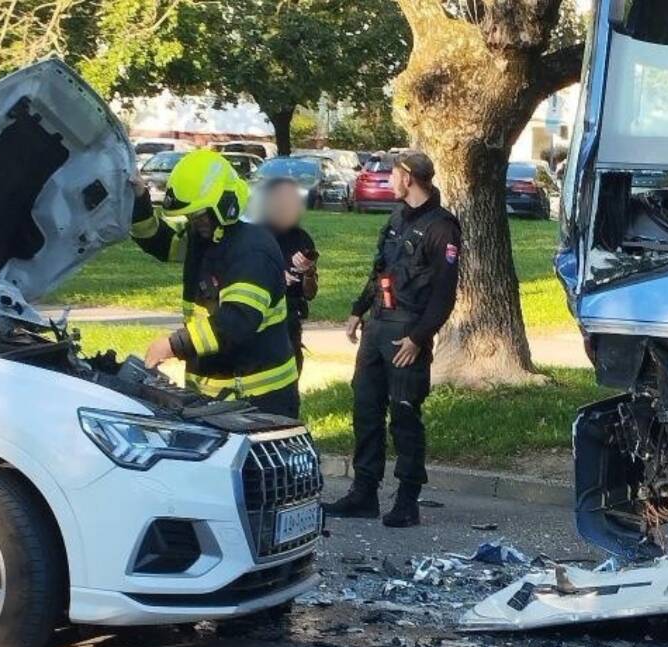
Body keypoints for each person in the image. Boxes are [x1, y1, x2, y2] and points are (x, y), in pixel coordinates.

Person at [323, 151, 461, 527]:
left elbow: (445, 295)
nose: (388, 180)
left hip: (407, 333)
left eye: (394, 174)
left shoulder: (442, 228)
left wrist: (418, 338)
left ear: (410, 177)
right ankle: (363, 493)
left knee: (404, 415)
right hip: (378, 326)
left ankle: (406, 499)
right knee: (366, 410)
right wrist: (357, 310)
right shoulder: (396, 217)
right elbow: (379, 270)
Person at [129, 149, 300, 418]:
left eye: (199, 215)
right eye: (191, 217)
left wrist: (172, 345)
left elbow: (236, 322)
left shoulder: (252, 250)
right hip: (215, 393)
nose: (195, 223)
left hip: (258, 399)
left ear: (224, 204)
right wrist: (139, 198)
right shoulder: (206, 238)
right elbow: (159, 241)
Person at [258, 177, 319, 376]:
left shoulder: (302, 238)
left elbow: (310, 294)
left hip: (291, 317)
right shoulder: (256, 236)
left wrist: (308, 273)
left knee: (292, 374)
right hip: (261, 319)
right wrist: (276, 278)